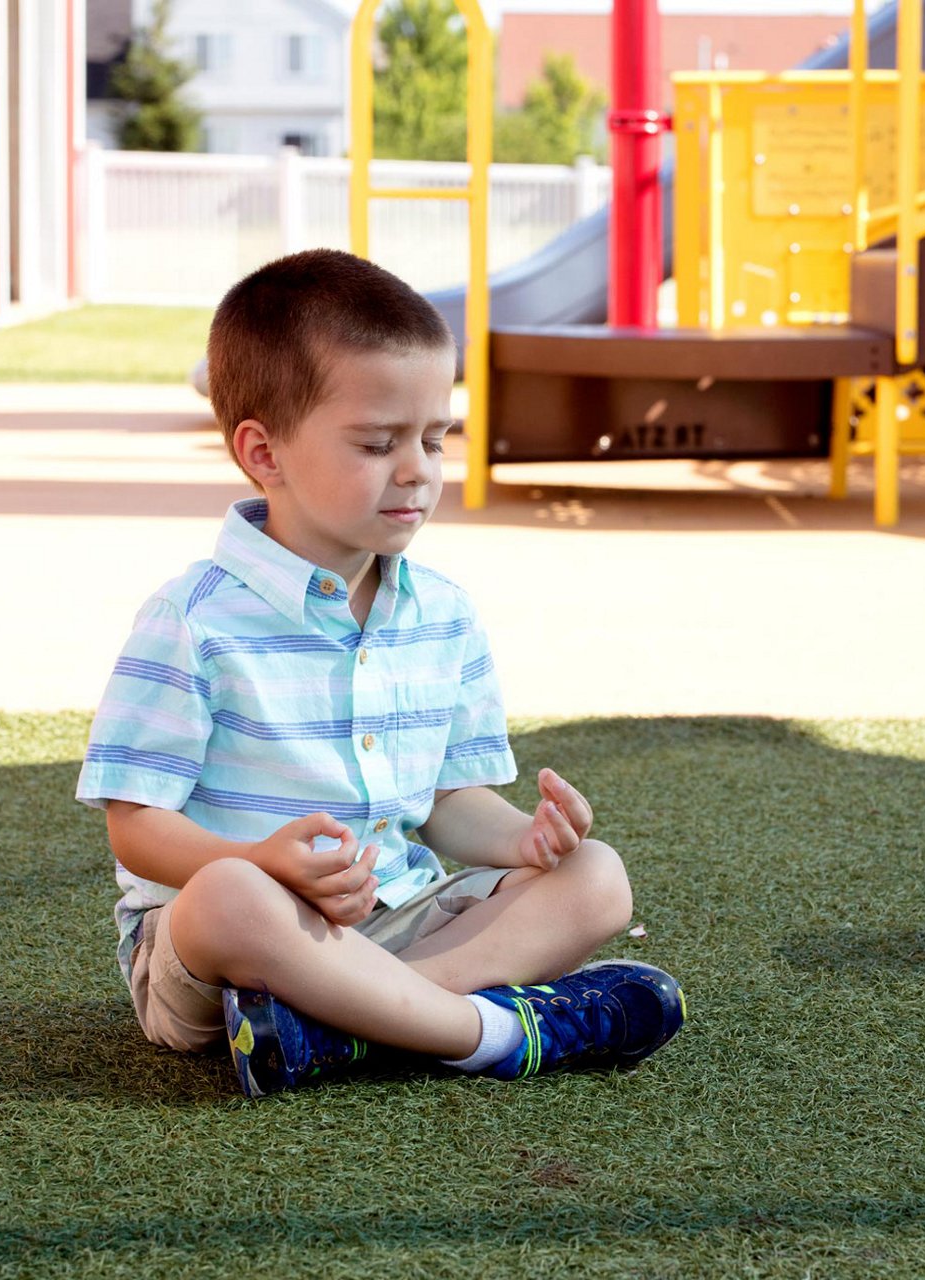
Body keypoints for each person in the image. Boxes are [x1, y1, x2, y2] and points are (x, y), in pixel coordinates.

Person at [76, 249, 685, 1099]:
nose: (419, 469)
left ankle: (339, 1030)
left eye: (434, 438)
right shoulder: (192, 620)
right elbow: (135, 827)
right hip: (229, 952)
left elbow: (443, 804)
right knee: (230, 895)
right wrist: (258, 859)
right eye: (377, 442)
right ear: (264, 452)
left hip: (402, 922)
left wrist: (523, 840)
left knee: (596, 878)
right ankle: (487, 1034)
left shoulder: (445, 613)